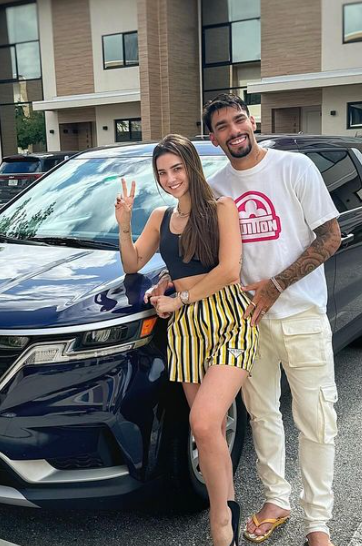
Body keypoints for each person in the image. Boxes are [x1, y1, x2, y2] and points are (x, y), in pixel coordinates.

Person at [146, 95, 341, 546]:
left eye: (238, 121)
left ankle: (318, 523)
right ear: (213, 139)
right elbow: (196, 251)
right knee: (262, 415)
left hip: (300, 314)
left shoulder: (294, 167)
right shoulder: (214, 188)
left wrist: (277, 284)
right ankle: (276, 500)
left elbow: (330, 237)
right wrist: (168, 279)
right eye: (222, 127)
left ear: (252, 121)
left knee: (315, 419)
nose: (234, 131)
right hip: (242, 321)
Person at [115, 134, 258, 546]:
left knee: (203, 421)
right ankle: (228, 504)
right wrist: (124, 224)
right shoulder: (161, 217)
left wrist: (179, 298)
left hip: (229, 319)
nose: (170, 178)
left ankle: (220, 523)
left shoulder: (221, 208)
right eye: (162, 172)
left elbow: (230, 270)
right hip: (186, 329)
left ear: (192, 166)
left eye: (177, 168)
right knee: (211, 430)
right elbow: (132, 263)